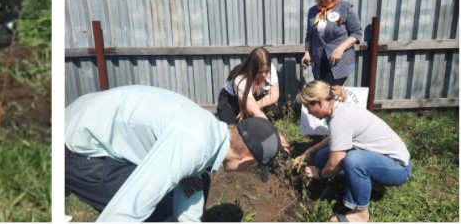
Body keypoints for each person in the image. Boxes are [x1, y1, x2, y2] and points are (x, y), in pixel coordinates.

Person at [66, 84, 287, 222]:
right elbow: (126, 211)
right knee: (155, 215)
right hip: (76, 144)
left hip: (85, 118)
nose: (252, 171)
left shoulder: (209, 132)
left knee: (199, 182)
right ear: (246, 160)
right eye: (256, 167)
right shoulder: (194, 145)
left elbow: (189, 206)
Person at [295, 81, 412, 222]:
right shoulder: (338, 110)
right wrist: (310, 151)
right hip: (382, 159)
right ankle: (370, 184)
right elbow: (336, 137)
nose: (309, 113)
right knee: (321, 157)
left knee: (353, 161)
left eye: (309, 108)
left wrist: (319, 174)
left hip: (398, 168)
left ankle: (360, 213)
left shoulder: (340, 118)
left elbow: (334, 164)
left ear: (319, 102)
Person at [301, 0, 363, 86]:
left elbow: (357, 33)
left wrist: (341, 48)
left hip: (339, 63)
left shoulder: (345, 8)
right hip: (319, 63)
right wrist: (307, 53)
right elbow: (309, 36)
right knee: (322, 94)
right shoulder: (313, 11)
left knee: (329, 95)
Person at [217, 46, 279, 125]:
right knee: (233, 129)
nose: (264, 74)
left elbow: (274, 95)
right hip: (232, 100)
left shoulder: (268, 66)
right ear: (252, 68)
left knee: (272, 112)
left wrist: (249, 109)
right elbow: (255, 112)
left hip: (254, 97)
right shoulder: (240, 78)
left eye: (266, 71)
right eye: (260, 71)